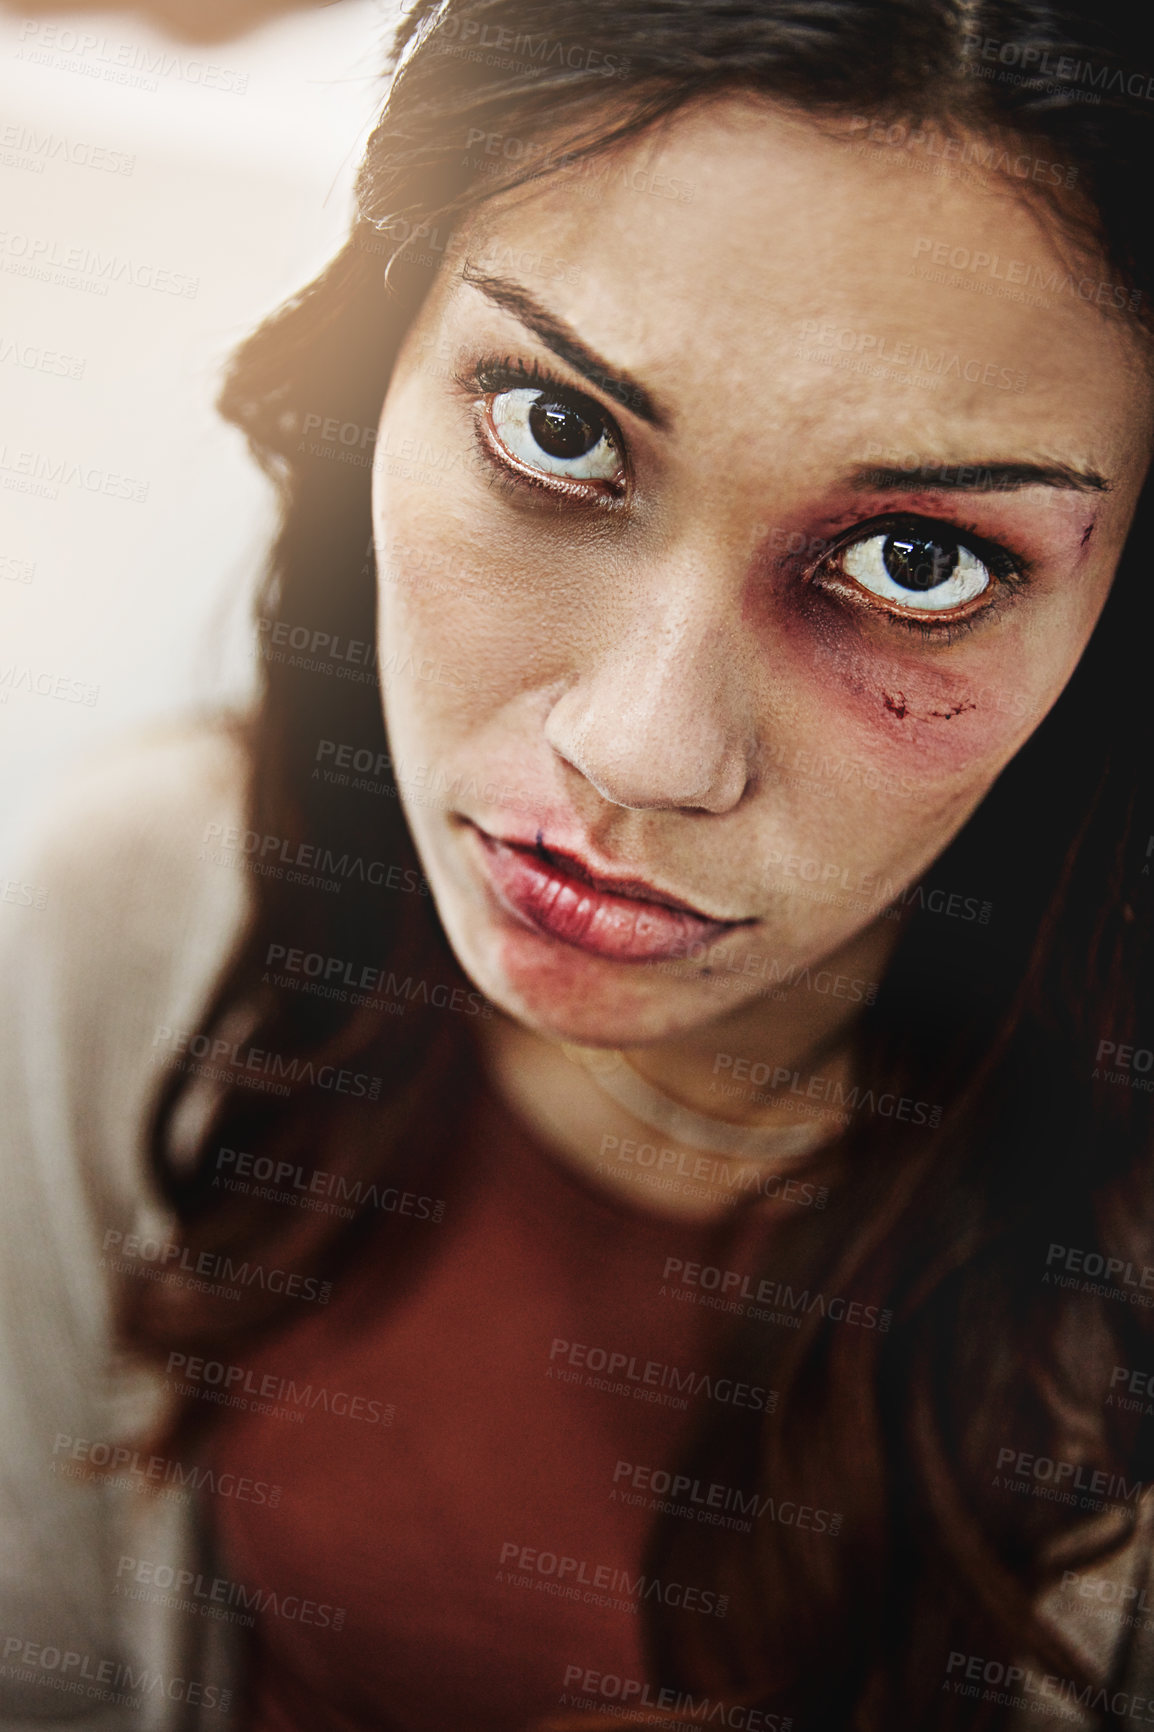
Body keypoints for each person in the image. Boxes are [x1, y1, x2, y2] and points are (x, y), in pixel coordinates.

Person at [5, 0, 1154, 1726]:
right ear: (371, 368)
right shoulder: (139, 916)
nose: (640, 749)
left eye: (917, 559)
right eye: (558, 431)